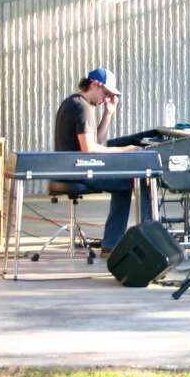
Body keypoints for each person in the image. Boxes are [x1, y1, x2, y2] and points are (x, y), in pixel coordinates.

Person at [53, 67, 151, 255]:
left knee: (124, 183)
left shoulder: (75, 103)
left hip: (73, 168)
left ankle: (111, 243)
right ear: (95, 85)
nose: (106, 98)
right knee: (140, 181)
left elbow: (96, 142)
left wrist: (108, 113)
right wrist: (126, 150)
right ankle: (149, 239)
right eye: (106, 93)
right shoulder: (81, 107)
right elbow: (90, 150)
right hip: (79, 172)